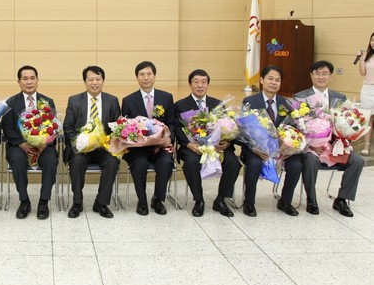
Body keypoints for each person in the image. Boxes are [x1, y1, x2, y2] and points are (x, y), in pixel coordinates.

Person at [295, 60, 363, 217]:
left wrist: (345, 139)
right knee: (310, 161)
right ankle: (311, 199)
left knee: (357, 161)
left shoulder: (340, 98)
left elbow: (347, 122)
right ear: (311, 75)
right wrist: (310, 146)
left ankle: (341, 199)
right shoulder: (300, 98)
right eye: (317, 73)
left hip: (335, 147)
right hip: (312, 147)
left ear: (331, 76)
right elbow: (296, 126)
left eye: (325, 74)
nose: (321, 77)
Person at [174, 69, 240, 218]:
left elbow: (228, 126)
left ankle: (220, 200)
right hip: (193, 147)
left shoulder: (218, 104)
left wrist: (226, 143)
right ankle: (199, 201)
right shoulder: (180, 105)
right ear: (190, 84)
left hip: (217, 148)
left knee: (233, 163)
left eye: (203, 82)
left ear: (208, 84)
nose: (200, 85)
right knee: (191, 163)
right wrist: (188, 144)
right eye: (196, 82)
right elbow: (177, 129)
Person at [241, 65, 302, 217]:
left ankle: (285, 201)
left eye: (277, 80)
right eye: (270, 79)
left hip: (280, 150)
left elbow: (292, 128)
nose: (273, 82)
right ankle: (249, 202)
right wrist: (254, 148)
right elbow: (243, 129)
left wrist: (289, 147)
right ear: (262, 80)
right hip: (256, 149)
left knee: (296, 164)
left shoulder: (285, 103)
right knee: (254, 163)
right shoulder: (249, 101)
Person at [63, 66, 121, 219]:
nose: (94, 83)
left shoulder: (112, 100)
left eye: (98, 79)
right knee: (76, 162)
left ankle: (101, 203)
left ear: (103, 81)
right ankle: (77, 203)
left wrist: (106, 142)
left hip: (103, 148)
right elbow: (68, 127)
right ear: (85, 82)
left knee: (112, 161)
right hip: (81, 148)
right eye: (91, 79)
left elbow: (117, 128)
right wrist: (81, 143)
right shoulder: (74, 100)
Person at [1, 65, 58, 219]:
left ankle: (44, 201)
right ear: (19, 82)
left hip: (44, 146)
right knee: (17, 160)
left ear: (37, 80)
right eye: (25, 79)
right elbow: (7, 128)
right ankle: (24, 200)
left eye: (32, 78)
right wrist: (22, 144)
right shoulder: (11, 102)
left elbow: (54, 126)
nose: (29, 82)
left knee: (51, 159)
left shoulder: (47, 101)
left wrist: (44, 143)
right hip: (18, 145)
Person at [121, 61, 175, 216]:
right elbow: (125, 127)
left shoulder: (166, 97)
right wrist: (135, 138)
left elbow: (172, 123)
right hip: (138, 148)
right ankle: (142, 201)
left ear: (154, 76)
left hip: (161, 146)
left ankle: (158, 199)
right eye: (142, 74)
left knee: (166, 162)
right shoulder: (128, 100)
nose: (146, 78)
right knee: (139, 164)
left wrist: (169, 137)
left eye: (149, 74)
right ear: (137, 77)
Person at [357, 32, 374, 156]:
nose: (373, 42)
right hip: (367, 90)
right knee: (369, 118)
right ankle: (366, 145)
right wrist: (360, 59)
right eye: (372, 40)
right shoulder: (367, 56)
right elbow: (362, 73)